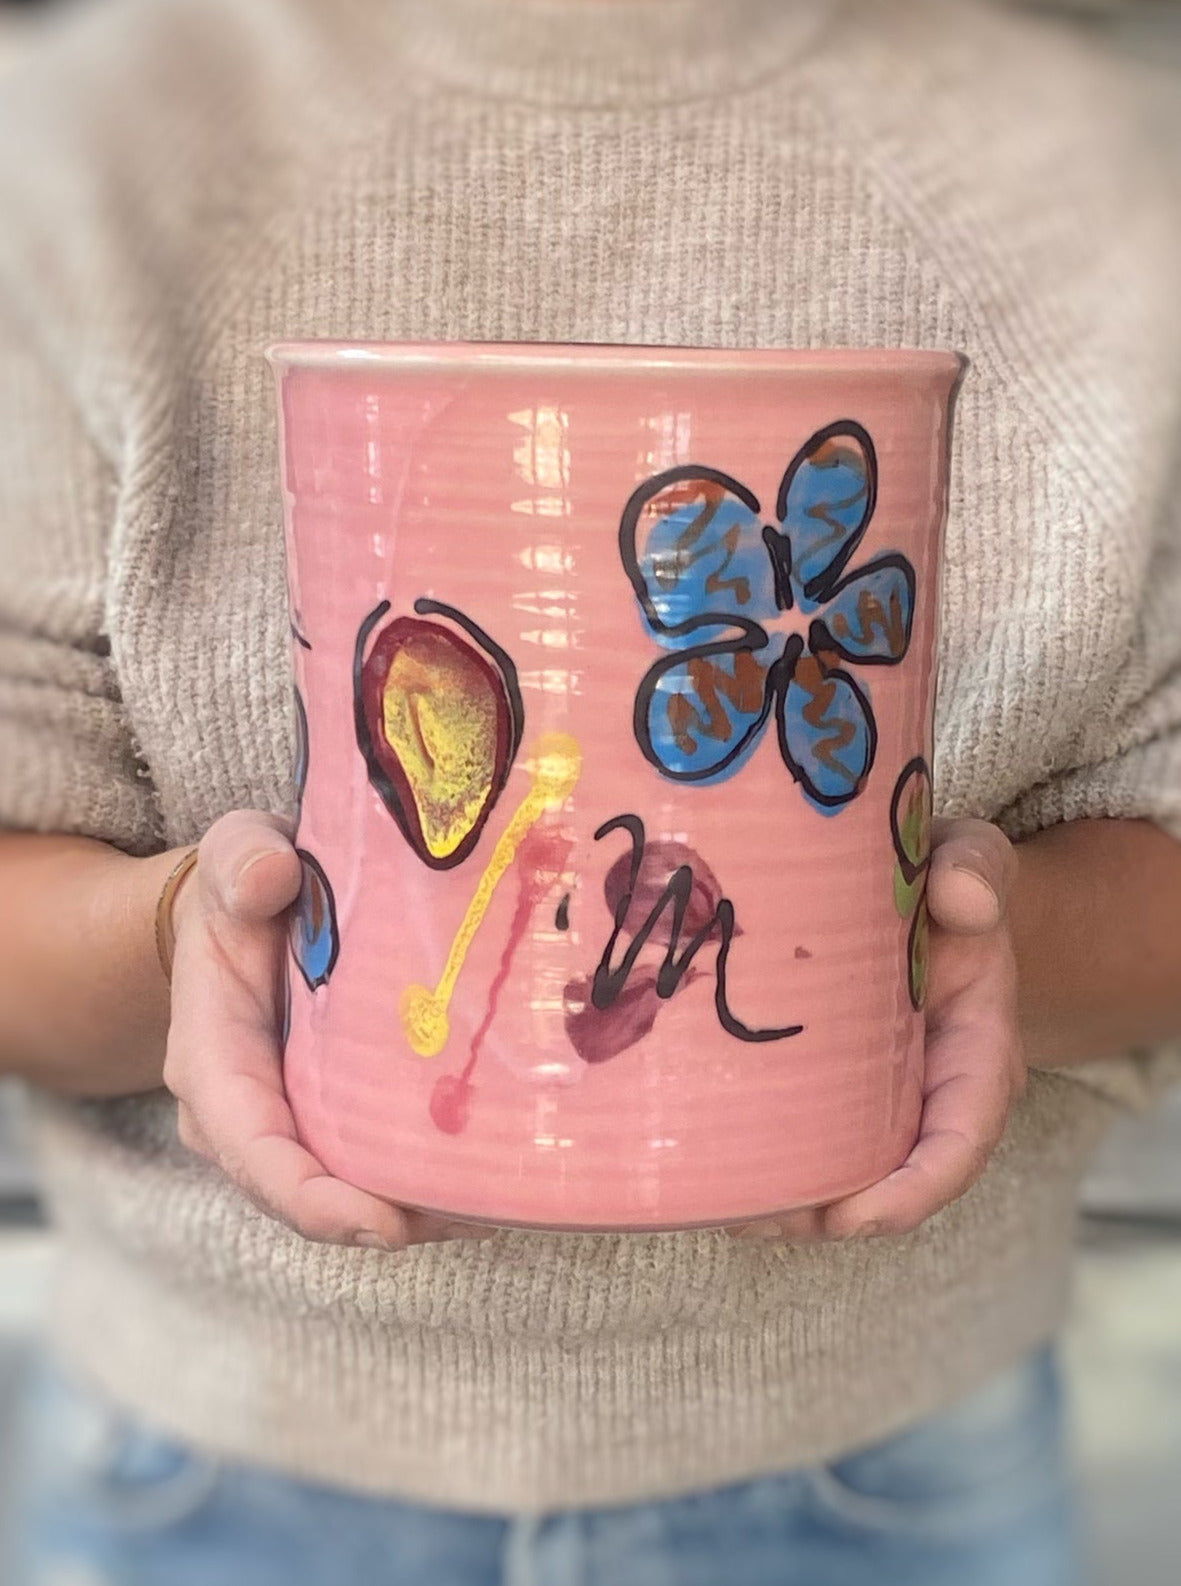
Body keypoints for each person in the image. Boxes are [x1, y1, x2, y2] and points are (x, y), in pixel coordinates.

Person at [1, 1, 1179, 1582]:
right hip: (220, 1480)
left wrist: (991, 948)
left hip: (887, 1474)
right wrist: (180, 939)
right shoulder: (91, 141)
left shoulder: (1101, 172)